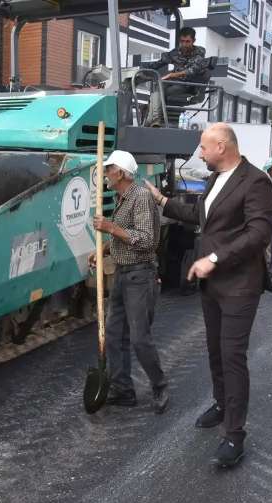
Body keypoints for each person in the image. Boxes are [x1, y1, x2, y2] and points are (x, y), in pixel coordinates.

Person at [144, 124, 272, 467]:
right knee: (215, 351)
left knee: (232, 357)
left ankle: (235, 435)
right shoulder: (216, 179)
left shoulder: (256, 181)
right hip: (213, 284)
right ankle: (221, 404)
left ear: (222, 146)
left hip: (239, 284)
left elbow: (259, 233)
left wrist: (214, 258)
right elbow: (200, 215)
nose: (199, 154)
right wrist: (160, 200)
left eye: (203, 147)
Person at [89, 150, 168, 413]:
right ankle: (123, 390)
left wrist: (110, 228)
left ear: (120, 173)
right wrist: (103, 250)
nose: (105, 174)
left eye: (108, 169)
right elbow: (126, 239)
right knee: (113, 335)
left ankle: (159, 386)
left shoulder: (141, 196)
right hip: (123, 274)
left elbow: (146, 240)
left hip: (140, 276)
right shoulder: (121, 197)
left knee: (139, 338)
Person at [141, 27, 208, 127]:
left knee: (164, 91)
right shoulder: (175, 53)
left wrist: (172, 75)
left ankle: (153, 118)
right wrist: (142, 70)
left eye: (187, 41)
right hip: (173, 82)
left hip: (188, 85)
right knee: (158, 86)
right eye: (182, 41)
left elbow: (192, 71)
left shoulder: (199, 52)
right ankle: (155, 119)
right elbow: (158, 64)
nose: (184, 44)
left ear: (193, 41)